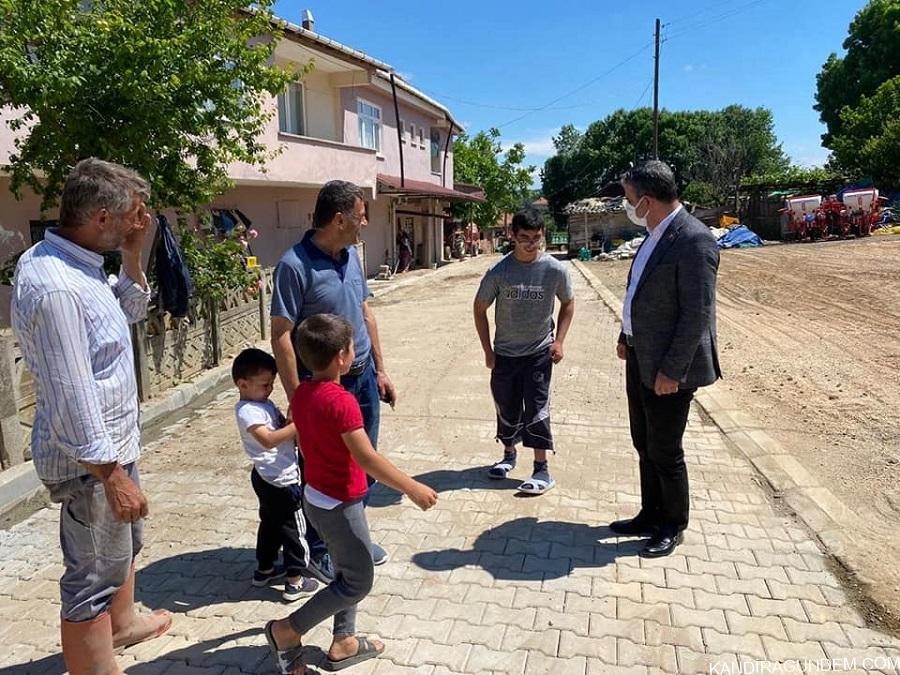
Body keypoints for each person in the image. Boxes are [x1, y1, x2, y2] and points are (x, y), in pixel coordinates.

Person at [10, 158, 171, 674]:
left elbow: (129, 311)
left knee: (124, 545)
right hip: (90, 463)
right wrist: (112, 476)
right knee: (92, 574)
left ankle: (121, 628)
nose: (142, 220)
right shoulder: (56, 284)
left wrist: (133, 255)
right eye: (135, 214)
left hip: (112, 448)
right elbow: (71, 393)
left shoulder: (84, 264)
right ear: (103, 216)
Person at [264, 314, 437, 675]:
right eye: (354, 345)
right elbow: (366, 457)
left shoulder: (302, 395)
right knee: (358, 580)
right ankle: (287, 630)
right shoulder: (340, 401)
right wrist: (412, 487)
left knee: (347, 570)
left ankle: (344, 641)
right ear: (343, 356)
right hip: (338, 504)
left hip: (316, 497)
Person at [271, 180, 397, 576]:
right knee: (324, 473)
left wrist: (380, 368)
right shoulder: (294, 265)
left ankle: (353, 539)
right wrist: (298, 401)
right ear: (339, 218)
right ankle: (321, 549)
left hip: (361, 381)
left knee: (362, 466)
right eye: (360, 217)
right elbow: (281, 336)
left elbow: (366, 313)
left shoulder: (351, 257)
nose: (364, 224)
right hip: (322, 389)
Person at [611, 160, 721, 558]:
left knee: (665, 449)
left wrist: (672, 370)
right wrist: (626, 337)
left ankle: (673, 523)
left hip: (668, 368)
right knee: (644, 442)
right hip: (641, 356)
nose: (626, 205)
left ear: (647, 200)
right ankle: (650, 513)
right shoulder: (654, 234)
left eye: (628, 199)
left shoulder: (694, 239)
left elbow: (697, 315)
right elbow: (639, 292)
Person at [473, 208, 575, 495]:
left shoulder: (555, 269)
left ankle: (541, 469)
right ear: (512, 237)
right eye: (524, 238)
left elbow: (568, 303)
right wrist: (487, 351)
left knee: (537, 409)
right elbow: (479, 308)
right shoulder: (499, 271)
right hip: (505, 354)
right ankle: (508, 456)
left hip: (539, 353)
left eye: (536, 238)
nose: (531, 244)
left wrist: (560, 341)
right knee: (506, 405)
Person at [232, 348, 319, 602]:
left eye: (271, 383)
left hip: (268, 475)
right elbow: (268, 440)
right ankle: (295, 580)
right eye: (265, 384)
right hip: (279, 478)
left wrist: (288, 420)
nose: (269, 389)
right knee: (293, 527)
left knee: (270, 525)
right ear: (243, 384)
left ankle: (265, 569)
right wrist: (297, 426)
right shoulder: (247, 410)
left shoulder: (262, 404)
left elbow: (278, 427)